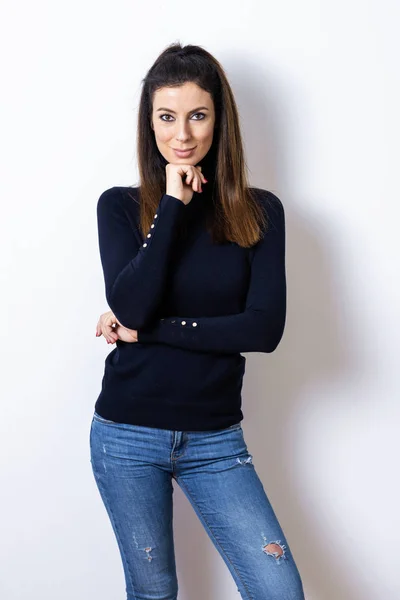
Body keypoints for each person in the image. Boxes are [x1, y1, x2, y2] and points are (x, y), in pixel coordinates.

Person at [90, 42, 305, 600]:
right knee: (154, 593)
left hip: (216, 440)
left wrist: (156, 331)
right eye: (166, 117)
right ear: (150, 123)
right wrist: (171, 205)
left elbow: (263, 329)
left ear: (219, 121)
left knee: (279, 591)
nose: (181, 134)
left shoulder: (259, 212)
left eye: (197, 115)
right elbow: (132, 305)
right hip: (126, 435)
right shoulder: (119, 206)